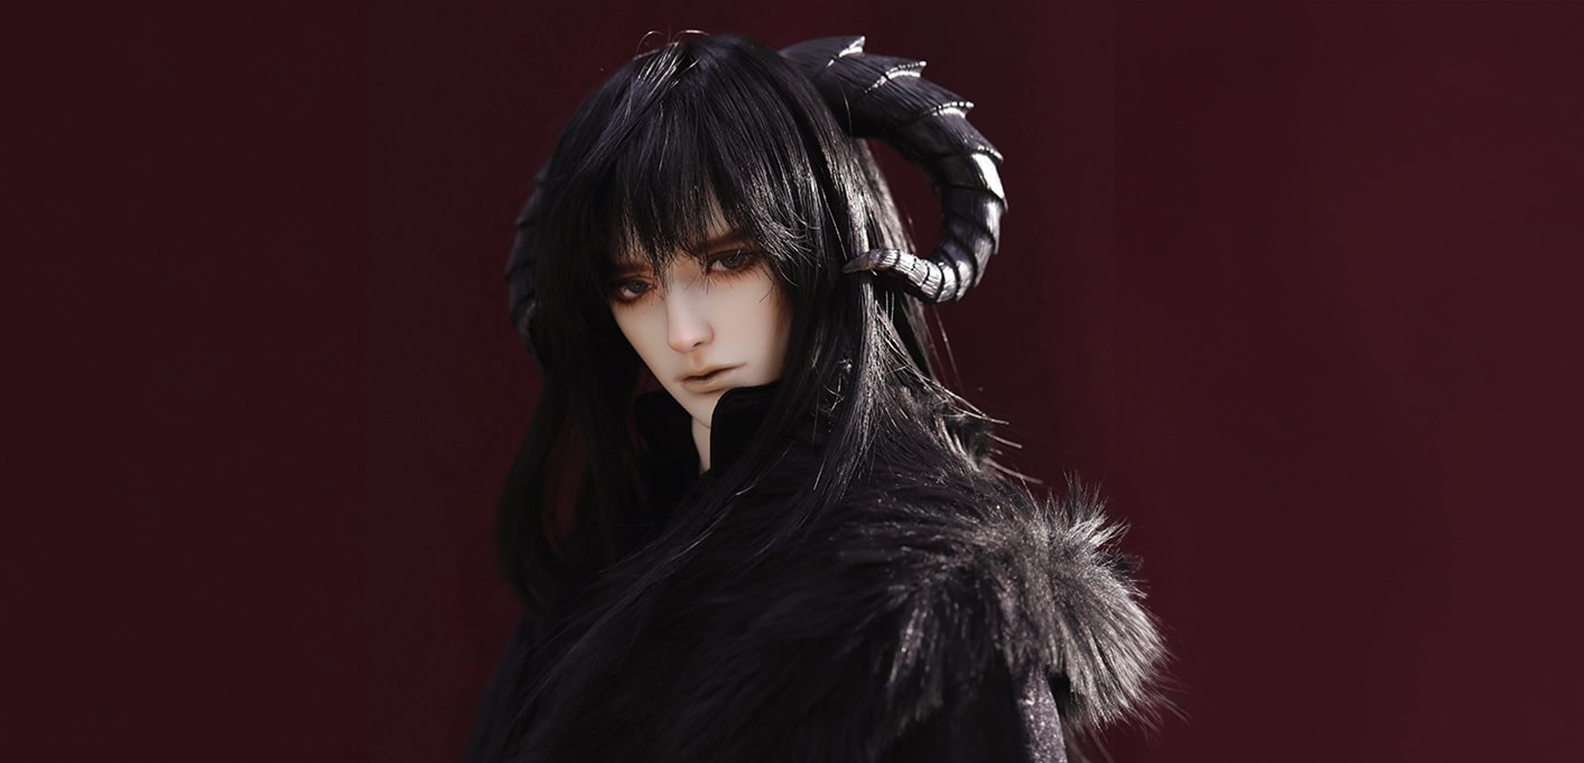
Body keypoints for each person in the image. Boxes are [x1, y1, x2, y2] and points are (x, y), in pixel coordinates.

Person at [468, 33, 1164, 763]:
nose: (681, 332)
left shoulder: (942, 601)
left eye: (729, 260)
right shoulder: (597, 579)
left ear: (826, 248)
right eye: (634, 285)